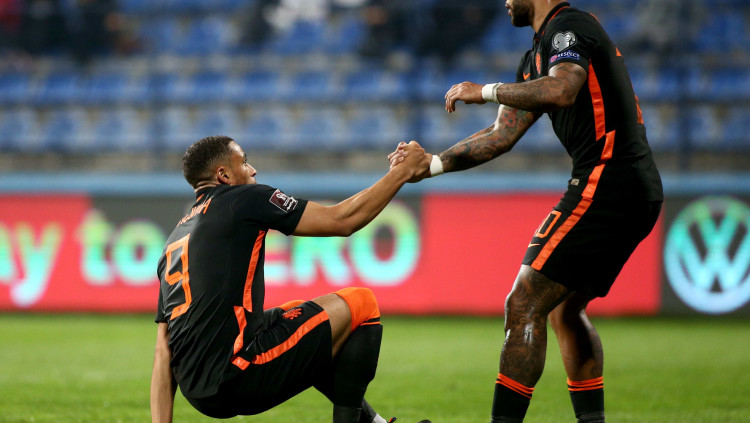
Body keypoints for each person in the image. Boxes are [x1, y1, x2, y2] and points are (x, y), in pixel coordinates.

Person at [390, 1, 663, 422]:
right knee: (564, 310)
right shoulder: (538, 52)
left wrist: (485, 90)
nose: (505, 2)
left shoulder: (568, 28)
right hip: (630, 186)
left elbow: (562, 89)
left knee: (523, 304)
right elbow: (501, 135)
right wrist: (435, 164)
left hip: (607, 181)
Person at [150, 135, 432, 423]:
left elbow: (163, 348)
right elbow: (342, 220)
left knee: (305, 316)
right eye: (244, 162)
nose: (253, 170)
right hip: (238, 375)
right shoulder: (245, 198)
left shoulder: (173, 241)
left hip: (198, 392)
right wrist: (402, 172)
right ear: (223, 175)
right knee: (362, 303)